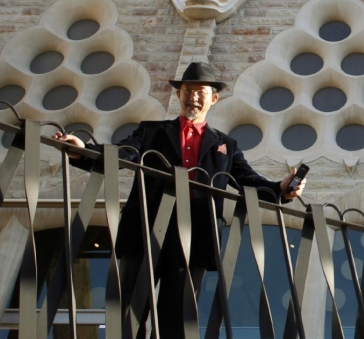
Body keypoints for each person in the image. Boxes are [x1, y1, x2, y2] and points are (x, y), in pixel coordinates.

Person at [54, 62, 305, 337]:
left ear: (213, 98)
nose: (193, 97)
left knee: (176, 320)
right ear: (178, 94)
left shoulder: (226, 145)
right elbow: (121, 154)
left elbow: (249, 180)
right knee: (128, 313)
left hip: (194, 239)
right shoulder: (152, 131)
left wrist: (281, 188)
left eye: (200, 92)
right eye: (187, 90)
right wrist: (83, 151)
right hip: (144, 232)